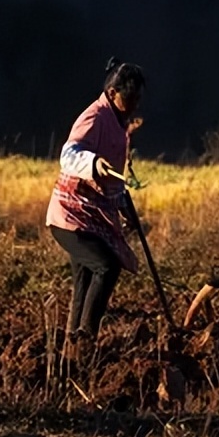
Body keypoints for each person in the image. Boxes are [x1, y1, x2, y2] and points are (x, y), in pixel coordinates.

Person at [46, 58, 146, 346]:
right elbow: (69, 154)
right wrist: (92, 163)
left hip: (91, 215)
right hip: (70, 214)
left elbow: (115, 183)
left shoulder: (118, 122)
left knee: (85, 279)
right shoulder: (94, 117)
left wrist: (127, 210)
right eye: (131, 98)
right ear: (113, 93)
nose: (135, 104)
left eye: (138, 99)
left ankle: (72, 345)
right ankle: (86, 339)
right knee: (106, 266)